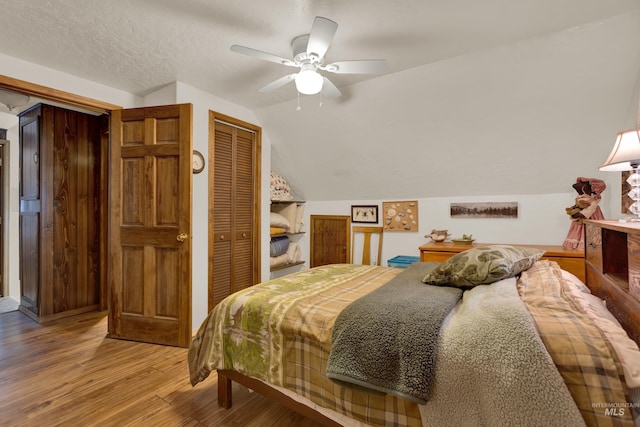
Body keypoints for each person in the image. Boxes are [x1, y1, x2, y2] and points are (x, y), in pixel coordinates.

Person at [562, 177, 606, 249]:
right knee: (578, 228)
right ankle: (577, 244)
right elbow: (576, 207)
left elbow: (593, 207)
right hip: (580, 216)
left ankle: (591, 244)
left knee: (591, 228)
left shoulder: (591, 199)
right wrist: (573, 213)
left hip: (592, 215)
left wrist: (583, 214)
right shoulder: (579, 198)